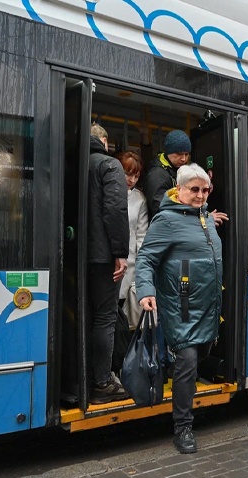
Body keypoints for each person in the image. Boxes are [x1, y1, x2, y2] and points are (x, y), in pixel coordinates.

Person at [136, 163, 223, 454]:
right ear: (180, 189)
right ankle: (183, 427)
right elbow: (146, 258)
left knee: (197, 358)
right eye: (194, 189)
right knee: (187, 361)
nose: (200, 195)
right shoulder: (167, 219)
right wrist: (146, 291)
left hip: (208, 305)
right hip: (181, 305)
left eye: (204, 190)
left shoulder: (205, 218)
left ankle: (181, 396)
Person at [88, 124, 130, 404]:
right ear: (104, 140)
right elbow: (115, 210)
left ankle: (88, 374)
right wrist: (120, 252)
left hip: (79, 255)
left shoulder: (73, 162)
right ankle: (102, 383)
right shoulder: (108, 164)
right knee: (105, 317)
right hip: (104, 257)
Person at [115, 151, 148, 324]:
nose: (132, 180)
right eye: (128, 174)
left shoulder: (139, 198)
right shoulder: (106, 191)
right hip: (108, 261)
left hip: (131, 263)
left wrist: (143, 268)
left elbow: (142, 234)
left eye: (136, 176)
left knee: (126, 312)